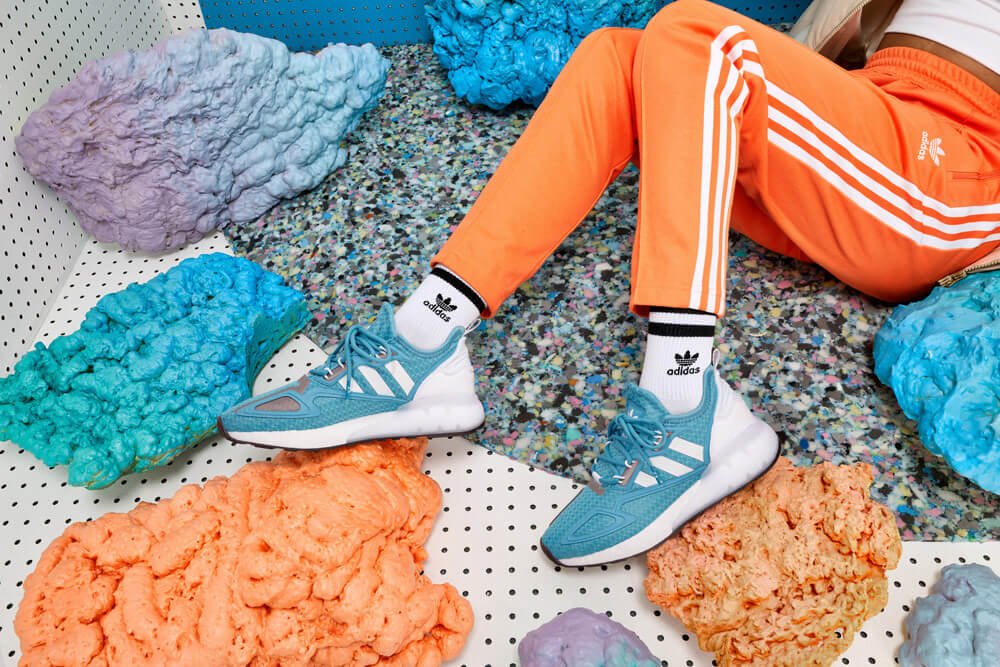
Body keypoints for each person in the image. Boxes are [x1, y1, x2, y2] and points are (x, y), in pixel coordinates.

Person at [218, 0, 1000, 566]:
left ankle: (684, 404)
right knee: (617, 58)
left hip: (953, 175)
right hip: (866, 130)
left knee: (696, 34)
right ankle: (426, 337)